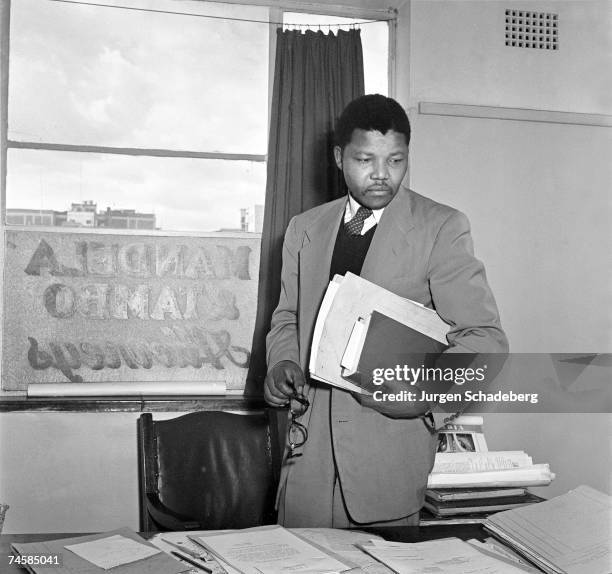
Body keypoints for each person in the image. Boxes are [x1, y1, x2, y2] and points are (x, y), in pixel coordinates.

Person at [264, 94, 508, 527]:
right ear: (340, 158)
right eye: (365, 160)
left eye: (396, 161)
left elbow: (485, 340)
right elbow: (287, 317)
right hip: (306, 465)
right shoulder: (304, 228)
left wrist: (422, 397)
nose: (381, 175)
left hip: (387, 467)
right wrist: (282, 361)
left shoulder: (441, 227)